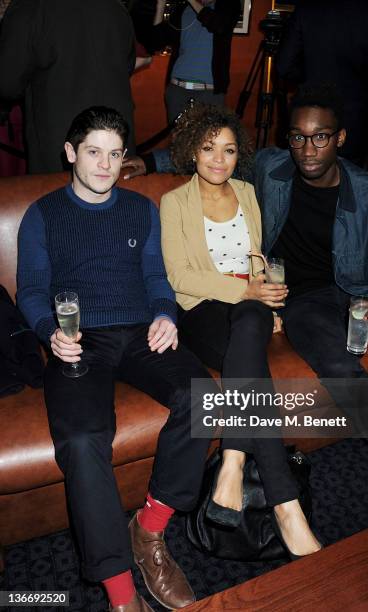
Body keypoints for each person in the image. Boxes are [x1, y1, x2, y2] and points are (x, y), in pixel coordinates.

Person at [121, 84, 368, 516]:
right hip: (301, 300)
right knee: (335, 358)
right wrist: (148, 160)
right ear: (287, 139)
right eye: (298, 137)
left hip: (358, 292)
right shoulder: (273, 169)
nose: (307, 149)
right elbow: (211, 152)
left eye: (321, 137)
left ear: (340, 138)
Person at [16, 106, 219, 612]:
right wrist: (50, 334)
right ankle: (121, 593)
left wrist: (166, 314)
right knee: (83, 439)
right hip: (79, 338)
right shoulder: (43, 214)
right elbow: (33, 290)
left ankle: (149, 529)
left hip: (138, 331)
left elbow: (156, 277)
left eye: (114, 154)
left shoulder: (139, 208)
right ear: (70, 153)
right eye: (93, 152)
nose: (105, 165)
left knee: (204, 394)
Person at [159, 102, 321, 558]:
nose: (218, 159)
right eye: (209, 148)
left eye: (229, 150)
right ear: (193, 151)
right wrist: (248, 294)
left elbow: (257, 258)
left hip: (247, 312)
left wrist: (267, 291)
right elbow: (179, 277)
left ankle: (235, 459)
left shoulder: (248, 192)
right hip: (201, 312)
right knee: (248, 319)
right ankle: (285, 503)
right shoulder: (174, 202)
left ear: (238, 157)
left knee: (250, 324)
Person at [0, 0, 136, 174]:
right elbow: (127, 66)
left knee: (59, 199)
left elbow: (8, 84)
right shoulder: (116, 7)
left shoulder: (30, 7)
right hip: (115, 135)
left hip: (62, 141)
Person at [275, 0, 368, 165]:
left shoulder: (308, 9)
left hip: (310, 116)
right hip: (353, 121)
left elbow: (284, 67)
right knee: (348, 181)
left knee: (300, 177)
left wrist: (313, 78)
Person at [145, 0, 240, 124]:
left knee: (208, 141)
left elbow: (219, 26)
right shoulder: (183, 9)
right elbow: (156, 42)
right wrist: (160, 6)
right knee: (179, 142)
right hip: (177, 90)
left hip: (209, 93)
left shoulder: (228, 4)